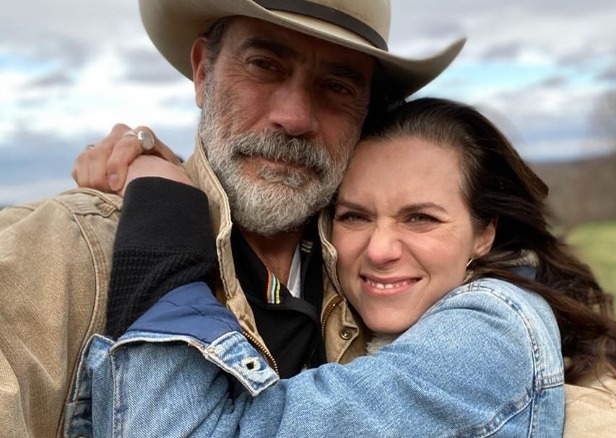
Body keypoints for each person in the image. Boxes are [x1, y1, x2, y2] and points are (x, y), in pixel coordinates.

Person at [68, 98, 616, 436]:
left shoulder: (490, 333)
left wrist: (163, 206)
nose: (381, 249)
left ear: (484, 232)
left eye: (421, 218)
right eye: (355, 216)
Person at [0, 0, 465, 435]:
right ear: (203, 72)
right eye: (264, 65)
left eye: (337, 86)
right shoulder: (67, 251)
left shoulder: (397, 271)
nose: (295, 116)